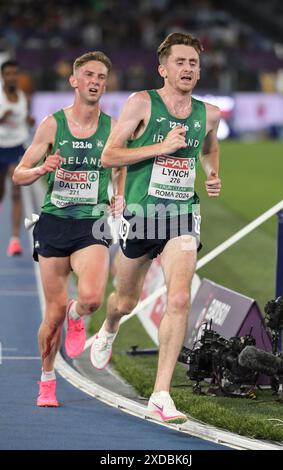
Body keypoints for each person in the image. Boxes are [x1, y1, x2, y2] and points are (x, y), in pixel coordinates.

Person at [90, 32, 221, 424]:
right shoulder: (141, 103)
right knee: (125, 301)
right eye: (180, 62)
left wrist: (212, 172)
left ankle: (160, 394)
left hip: (182, 215)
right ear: (163, 69)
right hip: (142, 215)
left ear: (199, 71)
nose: (187, 69)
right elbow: (109, 155)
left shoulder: (209, 113)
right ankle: (109, 327)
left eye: (193, 63)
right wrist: (159, 147)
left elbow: (210, 147)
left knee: (179, 299)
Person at [13, 51, 125, 407]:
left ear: (105, 84)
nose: (95, 81)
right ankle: (47, 378)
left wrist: (118, 195)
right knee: (53, 314)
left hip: (91, 224)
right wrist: (41, 169)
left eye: (102, 77)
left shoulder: (113, 127)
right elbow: (18, 174)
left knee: (91, 299)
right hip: (54, 224)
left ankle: (79, 316)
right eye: (89, 74)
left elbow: (120, 168)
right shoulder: (52, 125)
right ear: (74, 81)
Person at [0, 59, 35, 256]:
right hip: (0, 147)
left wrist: (29, 120)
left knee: (16, 191)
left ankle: (14, 240)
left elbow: (26, 120)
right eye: (8, 73)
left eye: (15, 73)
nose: (12, 76)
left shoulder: (23, 97)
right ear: (2, 76)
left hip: (17, 148)